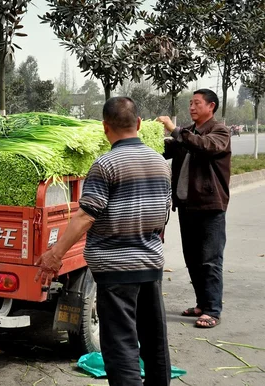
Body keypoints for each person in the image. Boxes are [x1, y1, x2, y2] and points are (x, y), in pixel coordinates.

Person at [36, 97, 172, 386]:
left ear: (104, 127)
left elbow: (86, 216)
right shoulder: (160, 162)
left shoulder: (106, 164)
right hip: (150, 263)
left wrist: (55, 254)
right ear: (137, 124)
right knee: (153, 338)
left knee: (120, 343)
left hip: (116, 269)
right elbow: (163, 215)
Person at [157, 89, 231, 329]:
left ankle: (212, 310)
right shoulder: (188, 133)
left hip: (210, 207)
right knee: (193, 259)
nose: (192, 107)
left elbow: (206, 146)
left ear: (211, 106)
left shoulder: (219, 131)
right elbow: (166, 150)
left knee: (210, 260)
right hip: (188, 207)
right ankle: (202, 303)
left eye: (197, 103)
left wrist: (176, 130)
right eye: (190, 103)